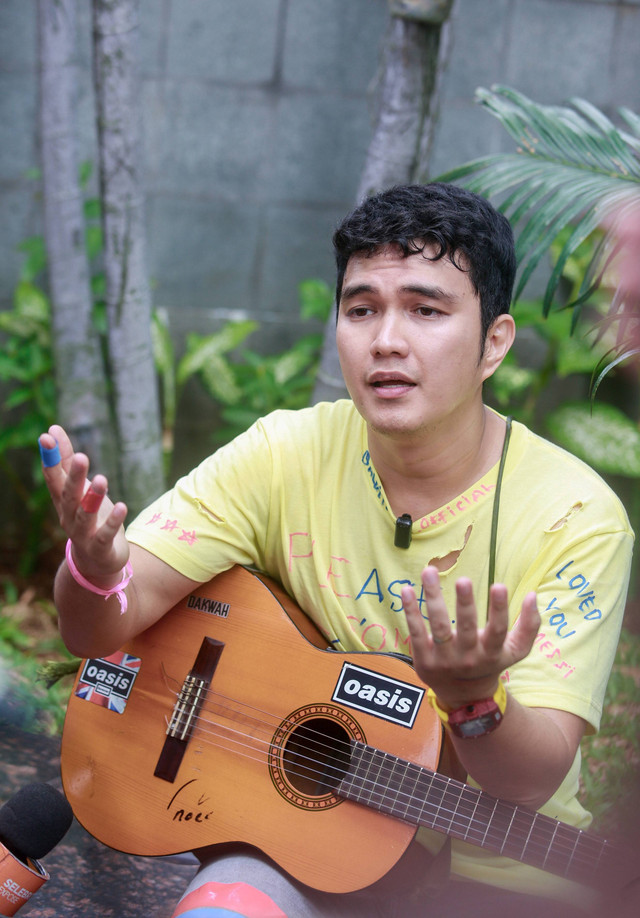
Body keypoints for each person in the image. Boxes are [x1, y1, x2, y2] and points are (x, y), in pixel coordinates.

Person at [39, 183, 633, 917]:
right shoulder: (284, 452)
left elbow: (529, 781)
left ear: (495, 343)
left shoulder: (574, 516)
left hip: (504, 879)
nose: (386, 339)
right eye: (361, 309)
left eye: (426, 309)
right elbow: (96, 631)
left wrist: (474, 700)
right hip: (303, 855)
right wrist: (95, 573)